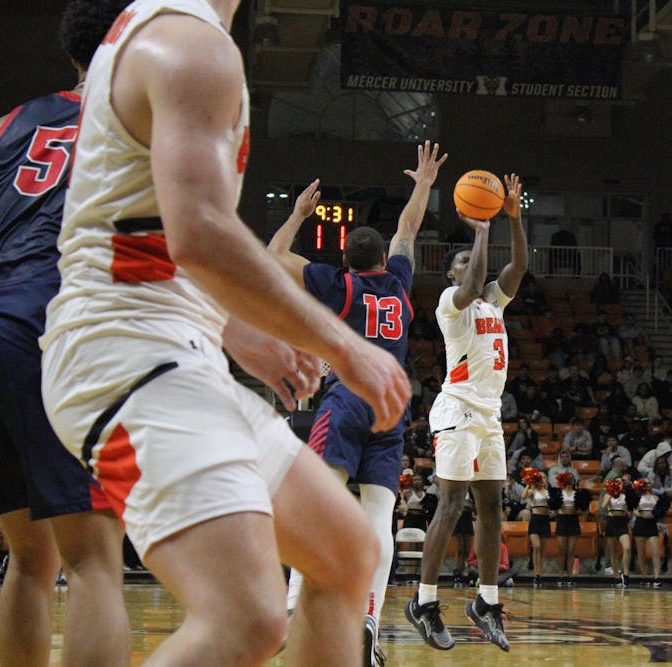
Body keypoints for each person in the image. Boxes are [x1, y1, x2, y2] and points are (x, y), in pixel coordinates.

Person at [38, 1, 412, 665]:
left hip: (169, 347)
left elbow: (151, 235)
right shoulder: (187, 44)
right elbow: (201, 231)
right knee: (246, 614)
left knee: (346, 553)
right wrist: (345, 345)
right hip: (125, 358)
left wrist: (241, 334)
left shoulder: (165, 32)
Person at [0, 2, 129, 664]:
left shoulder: (0, 128)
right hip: (53, 330)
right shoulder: (140, 119)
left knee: (30, 556)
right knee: (93, 560)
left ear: (72, 56)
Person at [269, 141, 446, 666]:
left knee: (320, 504)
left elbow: (275, 258)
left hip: (346, 397)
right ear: (381, 258)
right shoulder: (399, 282)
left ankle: (294, 605)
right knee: (378, 516)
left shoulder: (336, 284)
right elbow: (407, 232)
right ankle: (369, 617)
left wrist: (298, 215)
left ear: (345, 259)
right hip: (390, 403)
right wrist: (423, 185)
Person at [405, 174, 527, 653]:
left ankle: (486, 601)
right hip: (455, 408)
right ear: (452, 274)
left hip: (489, 414)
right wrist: (480, 230)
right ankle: (425, 601)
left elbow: (518, 265)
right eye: (462, 263)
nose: (472, 268)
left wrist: (512, 219)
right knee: (452, 503)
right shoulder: (450, 305)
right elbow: (476, 278)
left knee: (492, 507)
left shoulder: (494, 301)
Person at [548, 472, 590, 587]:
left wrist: (577, 512)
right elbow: (554, 508)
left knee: (571, 550)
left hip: (573, 520)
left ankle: (570, 575)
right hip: (562, 520)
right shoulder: (558, 493)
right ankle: (561, 574)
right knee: (562, 549)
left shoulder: (578, 494)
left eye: (571, 479)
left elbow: (584, 510)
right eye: (567, 479)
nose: (569, 481)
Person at [631, 479, 669, 588]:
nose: (648, 485)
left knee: (656, 552)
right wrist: (641, 513)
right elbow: (632, 510)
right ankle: (644, 576)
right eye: (646, 483)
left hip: (652, 525)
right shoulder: (637, 498)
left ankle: (657, 578)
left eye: (649, 483)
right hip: (640, 524)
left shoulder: (656, 498)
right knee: (641, 553)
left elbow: (660, 512)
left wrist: (653, 515)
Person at [522, 470, 551, 587]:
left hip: (545, 520)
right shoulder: (532, 491)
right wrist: (529, 483)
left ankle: (539, 574)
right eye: (540, 478)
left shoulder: (548, 492)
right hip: (535, 519)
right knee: (536, 547)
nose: (542, 480)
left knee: (542, 550)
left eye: (544, 478)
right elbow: (523, 497)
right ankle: (536, 574)